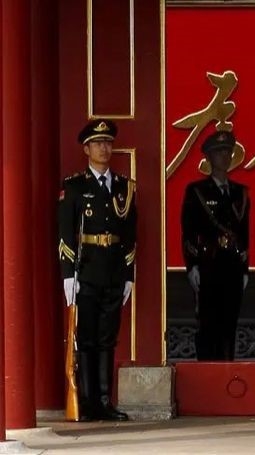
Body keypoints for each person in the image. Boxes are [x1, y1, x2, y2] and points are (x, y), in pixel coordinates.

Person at [58, 119, 136, 421]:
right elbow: (65, 234)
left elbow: (129, 234)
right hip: (86, 271)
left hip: (114, 271)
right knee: (86, 338)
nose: (104, 148)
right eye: (98, 143)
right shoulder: (75, 187)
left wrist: (128, 275)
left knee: (107, 338)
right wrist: (68, 274)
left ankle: (104, 400)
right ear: (86, 149)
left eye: (108, 143)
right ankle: (87, 401)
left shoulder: (124, 187)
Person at [181, 130, 251, 361]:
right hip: (209, 264)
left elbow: (244, 233)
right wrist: (192, 266)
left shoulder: (240, 193)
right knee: (208, 324)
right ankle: (208, 372)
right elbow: (189, 231)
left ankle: (227, 370)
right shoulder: (197, 191)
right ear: (209, 157)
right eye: (219, 153)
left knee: (230, 324)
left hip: (232, 266)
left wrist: (245, 268)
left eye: (227, 152)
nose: (224, 157)